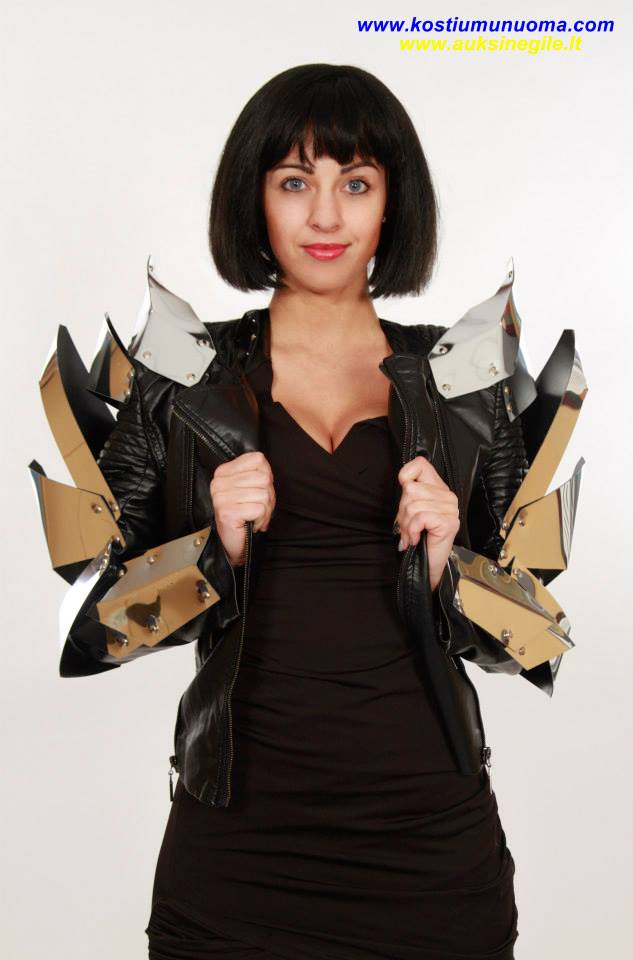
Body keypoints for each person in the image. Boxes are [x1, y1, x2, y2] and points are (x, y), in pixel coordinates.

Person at [30, 63, 587, 960]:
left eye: (355, 184)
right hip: (236, 849)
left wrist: (445, 566)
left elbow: (533, 642)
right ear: (253, 200)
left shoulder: (461, 381)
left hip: (428, 845)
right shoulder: (182, 375)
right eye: (295, 182)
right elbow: (92, 629)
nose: (325, 216)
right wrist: (212, 552)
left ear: (392, 205)